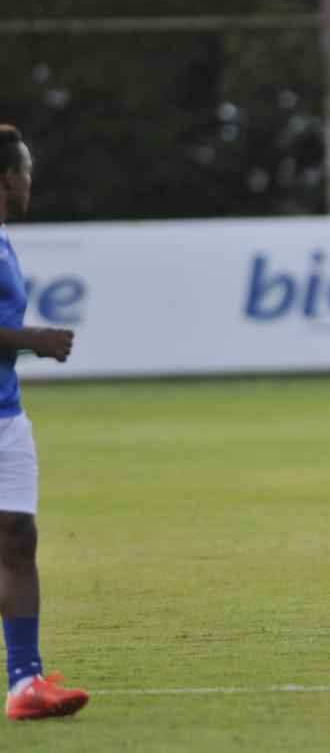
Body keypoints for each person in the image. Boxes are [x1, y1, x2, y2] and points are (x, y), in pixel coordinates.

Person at [0, 124, 89, 719]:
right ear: (8, 179)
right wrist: (32, 337)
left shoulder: (4, 240)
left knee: (17, 540)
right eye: (27, 172)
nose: (32, 182)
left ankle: (25, 683)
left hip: (5, 413)